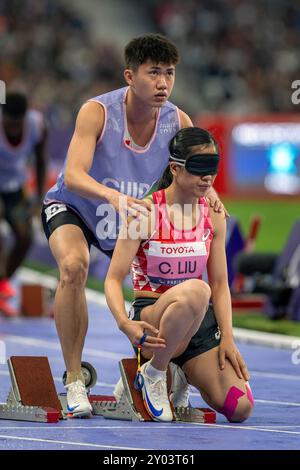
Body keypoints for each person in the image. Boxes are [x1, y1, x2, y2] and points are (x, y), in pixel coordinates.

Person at [42, 34, 225, 418]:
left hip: (130, 219)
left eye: (169, 73)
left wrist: (209, 195)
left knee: (177, 270)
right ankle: (75, 379)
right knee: (74, 266)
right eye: (153, 72)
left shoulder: (179, 121)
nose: (163, 83)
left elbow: (192, 169)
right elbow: (73, 176)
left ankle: (157, 369)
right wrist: (114, 197)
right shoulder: (97, 112)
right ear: (130, 75)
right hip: (79, 208)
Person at [105, 127, 254, 423]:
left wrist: (228, 339)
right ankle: (155, 372)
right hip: (153, 319)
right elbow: (112, 279)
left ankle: (180, 372)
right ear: (175, 168)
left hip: (196, 321)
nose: (208, 177)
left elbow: (222, 285)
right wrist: (125, 324)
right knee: (198, 291)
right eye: (199, 168)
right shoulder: (144, 214)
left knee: (240, 407)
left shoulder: (213, 216)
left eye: (213, 168)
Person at [0, 92, 47, 316]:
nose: (14, 129)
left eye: (18, 124)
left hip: (16, 186)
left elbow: (41, 160)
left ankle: (2, 282)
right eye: (9, 124)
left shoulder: (37, 125)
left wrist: (38, 197)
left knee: (25, 236)